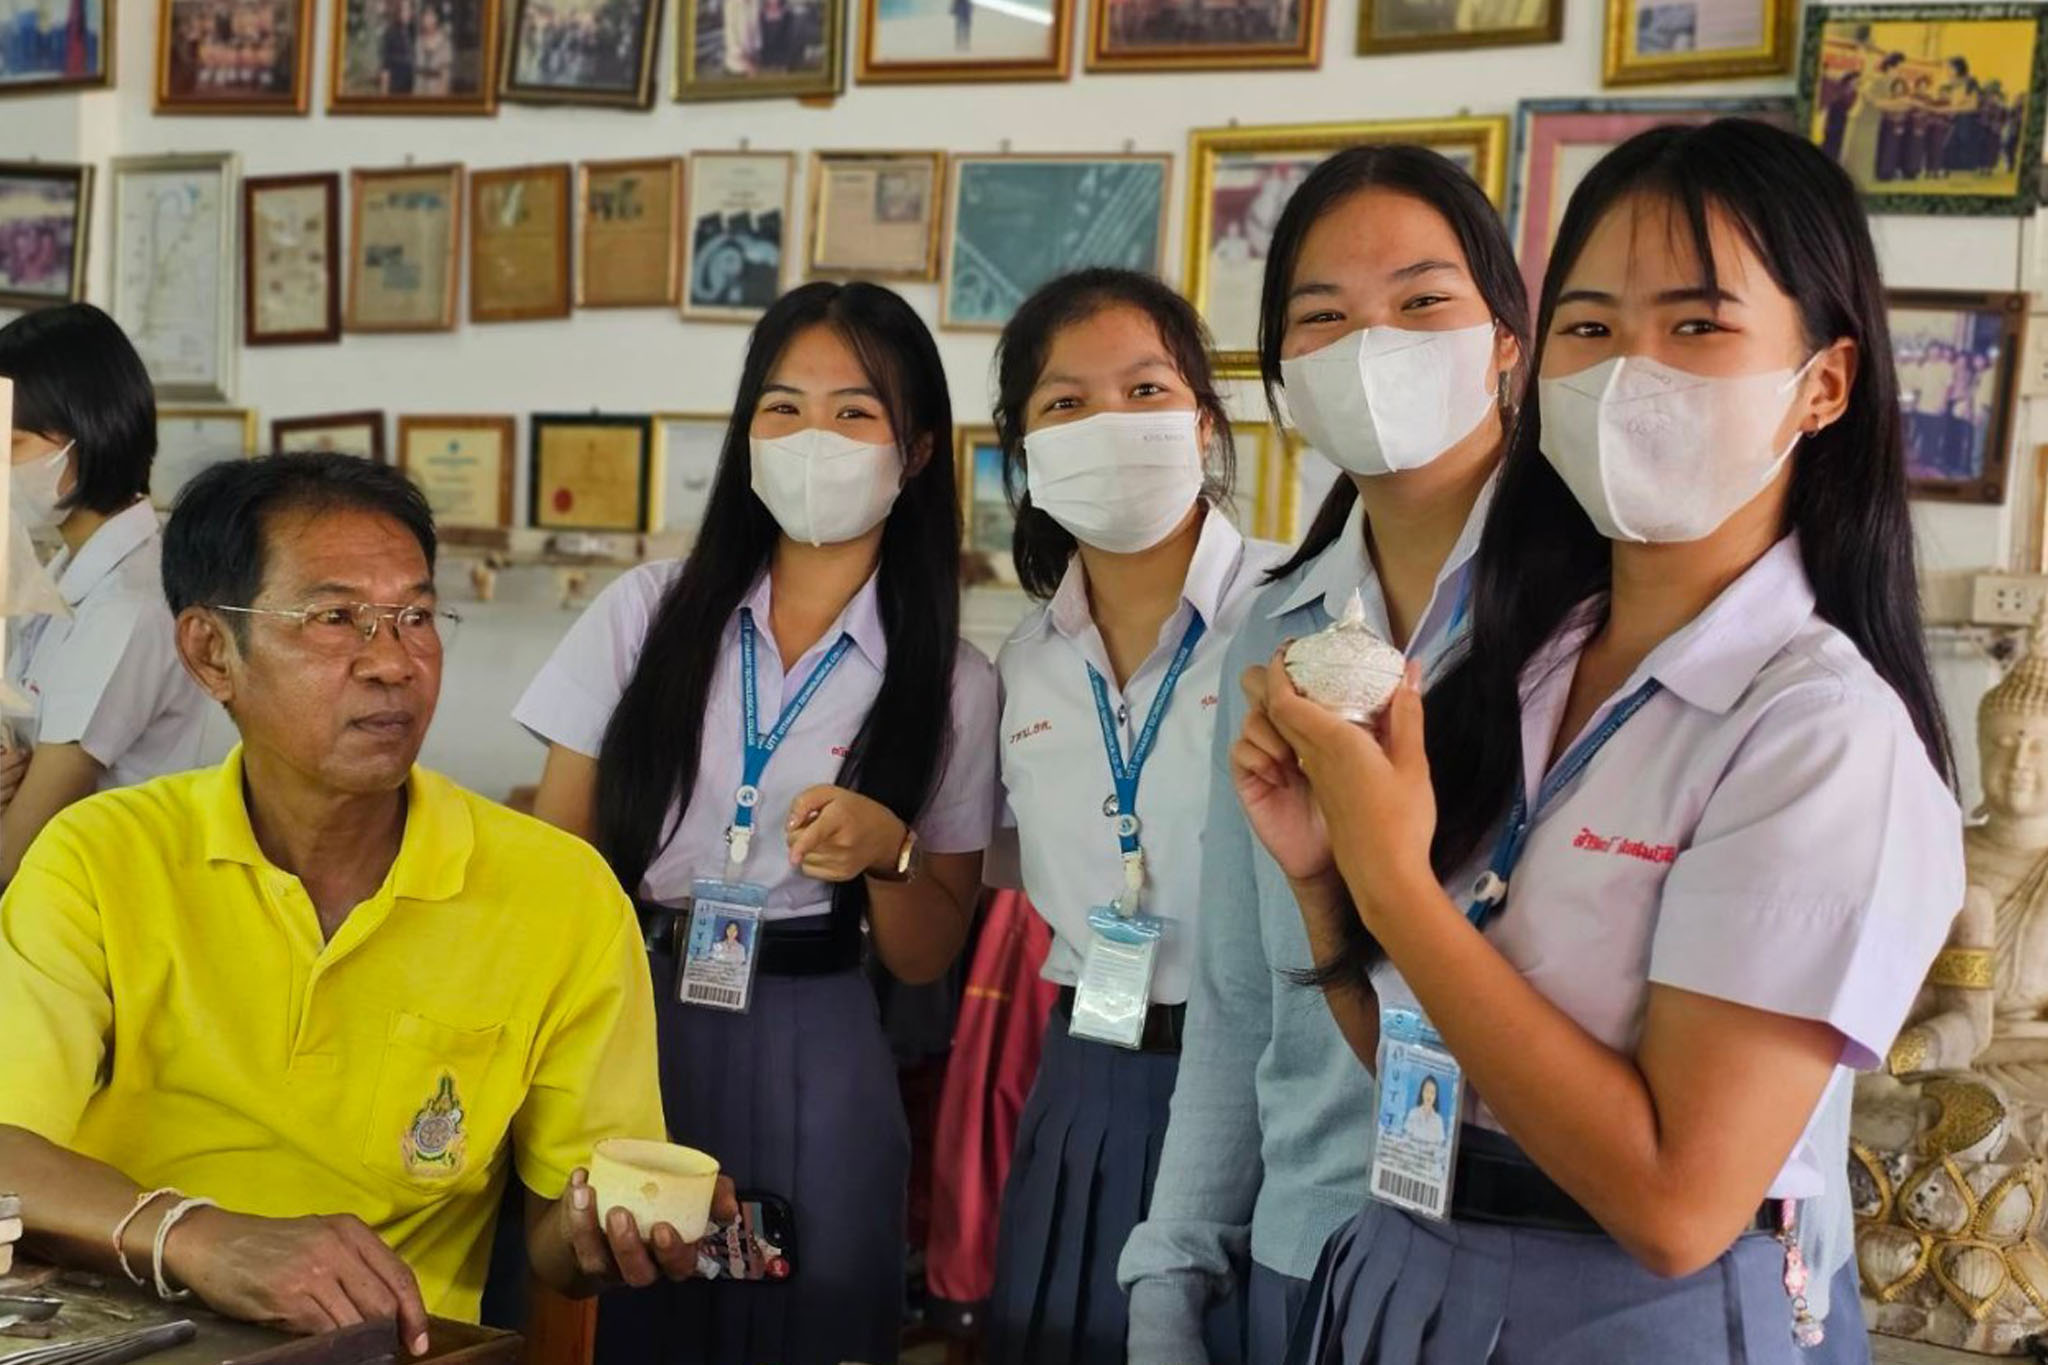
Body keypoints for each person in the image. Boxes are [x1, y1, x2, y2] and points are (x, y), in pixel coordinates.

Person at [1264, 117, 1960, 1363]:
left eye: (1695, 325)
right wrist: (1323, 878)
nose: (1629, 368)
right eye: (1589, 326)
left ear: (1822, 383)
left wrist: (1387, 880)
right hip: (1409, 1264)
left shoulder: (1819, 734)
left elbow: (1674, 1203)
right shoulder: (1504, 664)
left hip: (1636, 1320)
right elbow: (1424, 1066)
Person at [0, 453, 729, 1351]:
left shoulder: (559, 893)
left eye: (416, 616)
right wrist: (199, 1236)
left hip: (379, 1345)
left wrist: (594, 1235)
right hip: (120, 1330)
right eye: (336, 617)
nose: (393, 662)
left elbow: (555, 1241)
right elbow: (6, 1152)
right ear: (210, 651)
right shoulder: (101, 857)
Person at [517, 280, 996, 1365]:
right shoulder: (645, 612)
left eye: (852, 412)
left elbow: (924, 953)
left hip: (815, 1029)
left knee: (808, 1313)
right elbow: (555, 869)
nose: (810, 438)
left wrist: (891, 849)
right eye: (781, 408)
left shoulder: (952, 682)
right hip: (627, 1019)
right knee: (632, 1308)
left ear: (916, 449)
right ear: (745, 434)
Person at [1119, 143, 1526, 1365]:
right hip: (1312, 1249)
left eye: (1419, 303)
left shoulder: (1591, 612)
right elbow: (1242, 1004)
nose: (1370, 345)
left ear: (1506, 335)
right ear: (1282, 374)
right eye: (1321, 316)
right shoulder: (1276, 626)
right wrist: (1174, 1260)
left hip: (1528, 1256)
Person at [981, 268, 1287, 1365]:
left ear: (1204, 423)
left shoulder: (1297, 611)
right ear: (1021, 454)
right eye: (1065, 403)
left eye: (1145, 389)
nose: (1109, 423)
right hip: (1087, 1082)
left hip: (1267, 1088)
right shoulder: (1023, 664)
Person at [0, 304, 212, 882]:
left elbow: (17, 851)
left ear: (87, 434)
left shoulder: (128, 605)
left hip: (101, 908)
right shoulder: (71, 571)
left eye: (13, 444)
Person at [1401, 1077, 1445, 1147]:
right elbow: (1406, 1139)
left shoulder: (1438, 1120)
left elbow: (1440, 1145)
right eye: (1427, 1091)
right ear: (1422, 1092)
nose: (1429, 1096)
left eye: (1432, 1093)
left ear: (1435, 1096)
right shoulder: (1413, 1113)